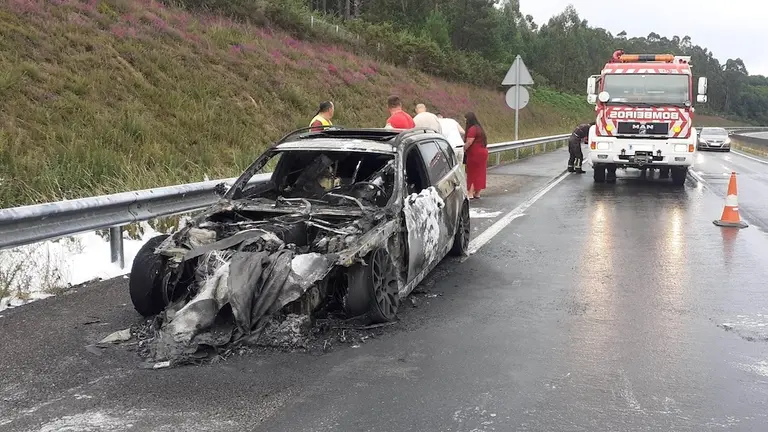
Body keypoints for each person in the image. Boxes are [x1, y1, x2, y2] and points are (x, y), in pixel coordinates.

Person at [463, 112, 488, 199]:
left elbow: (469, 142)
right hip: (483, 152)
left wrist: (464, 148)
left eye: (466, 120)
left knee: (472, 173)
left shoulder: (472, 129)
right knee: (480, 173)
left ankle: (470, 193)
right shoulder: (479, 128)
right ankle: (477, 193)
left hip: (475, 154)